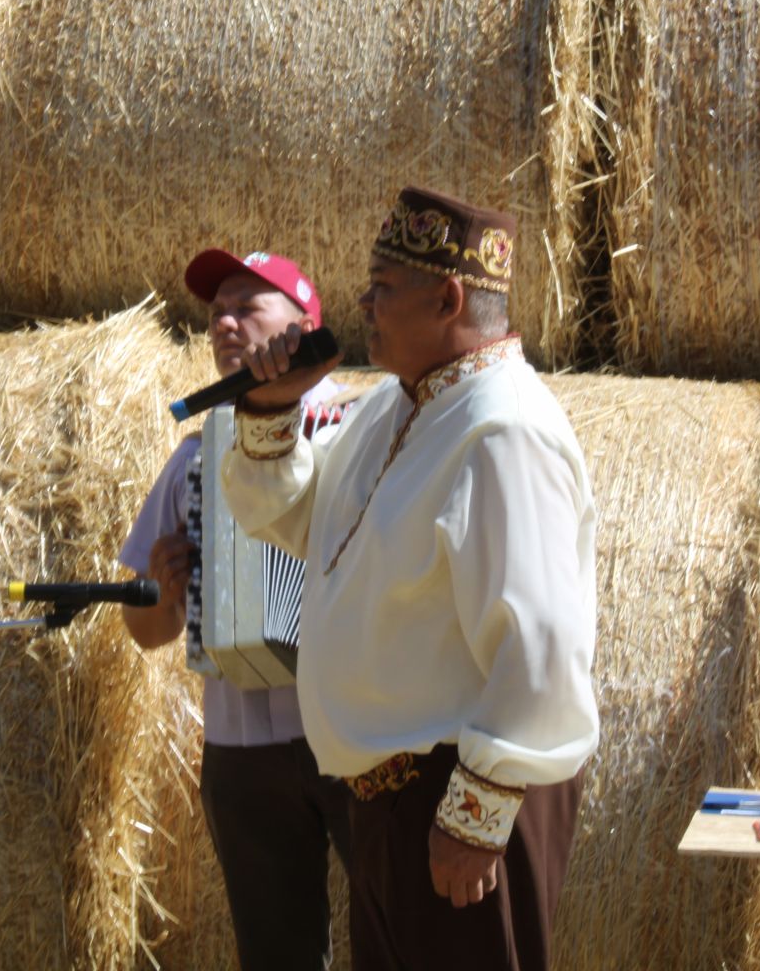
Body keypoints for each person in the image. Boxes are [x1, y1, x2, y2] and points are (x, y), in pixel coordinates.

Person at [220, 186, 598, 971]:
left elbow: (543, 640)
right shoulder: (396, 410)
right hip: (396, 803)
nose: (364, 302)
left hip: (455, 797)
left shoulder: (504, 429)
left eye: (384, 286)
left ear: (448, 297)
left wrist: (477, 812)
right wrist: (269, 410)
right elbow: (296, 522)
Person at [118, 249, 354, 971]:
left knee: (395, 938)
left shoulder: (357, 426)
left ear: (303, 322)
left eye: (247, 305)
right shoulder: (194, 457)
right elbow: (148, 633)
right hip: (240, 749)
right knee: (275, 952)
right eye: (215, 309)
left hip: (353, 731)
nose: (223, 321)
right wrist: (163, 593)